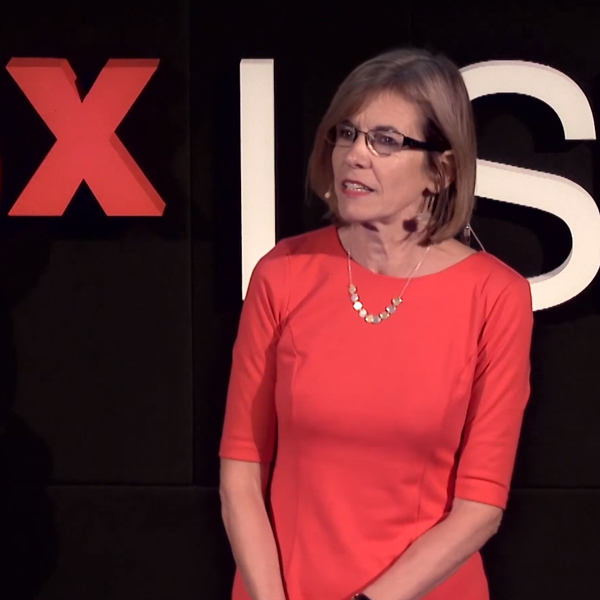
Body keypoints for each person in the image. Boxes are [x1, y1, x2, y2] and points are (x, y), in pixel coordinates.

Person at [218, 47, 533, 600]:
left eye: (385, 141)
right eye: (346, 134)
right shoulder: (283, 273)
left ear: (441, 167)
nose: (354, 156)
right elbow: (240, 473)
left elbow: (480, 506)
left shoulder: (496, 297)